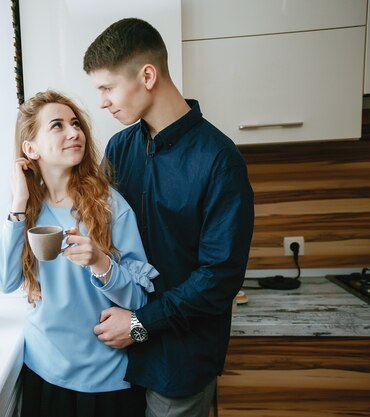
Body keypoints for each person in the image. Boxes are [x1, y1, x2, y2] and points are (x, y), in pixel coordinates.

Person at [82, 18, 255, 417]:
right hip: (113, 358)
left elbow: (219, 278)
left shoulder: (219, 161)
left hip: (178, 363)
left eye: (107, 88)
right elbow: (99, 231)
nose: (103, 102)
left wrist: (140, 323)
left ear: (147, 75)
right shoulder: (120, 148)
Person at [0, 90, 158, 417]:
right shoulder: (25, 211)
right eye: (58, 125)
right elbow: (5, 282)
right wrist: (18, 202)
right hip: (43, 371)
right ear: (30, 148)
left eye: (75, 123)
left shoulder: (109, 206)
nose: (74, 132)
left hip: (107, 380)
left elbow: (140, 300)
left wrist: (100, 262)